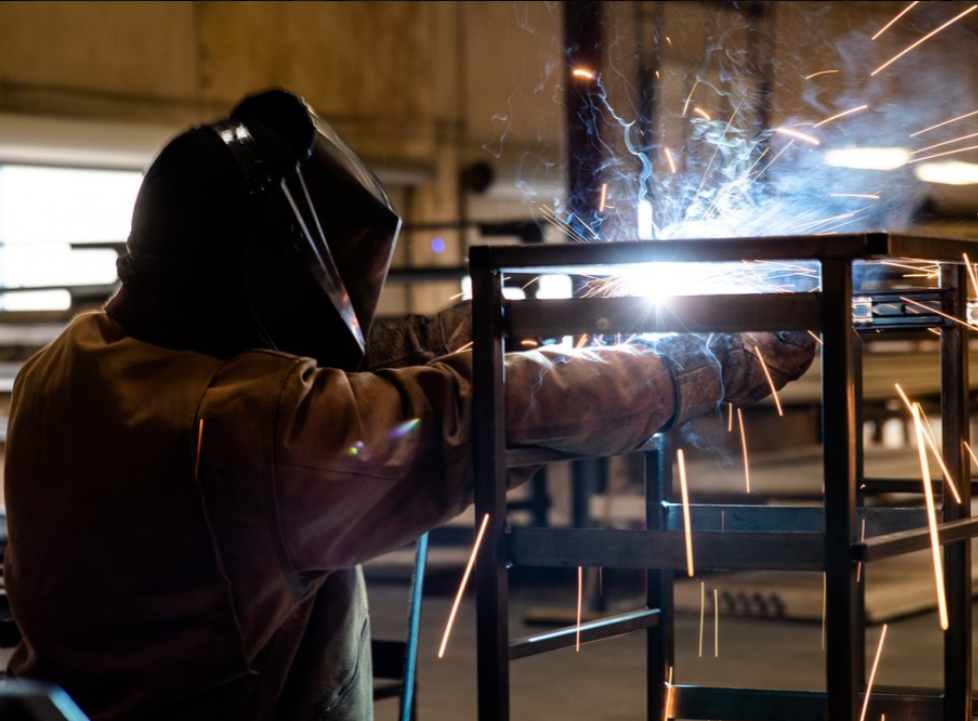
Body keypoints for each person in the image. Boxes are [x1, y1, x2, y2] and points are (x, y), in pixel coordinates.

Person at [2, 89, 814, 721]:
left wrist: (492, 322)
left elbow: (340, 371)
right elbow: (485, 411)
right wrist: (706, 368)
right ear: (259, 283)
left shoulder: (64, 367)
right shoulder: (250, 434)